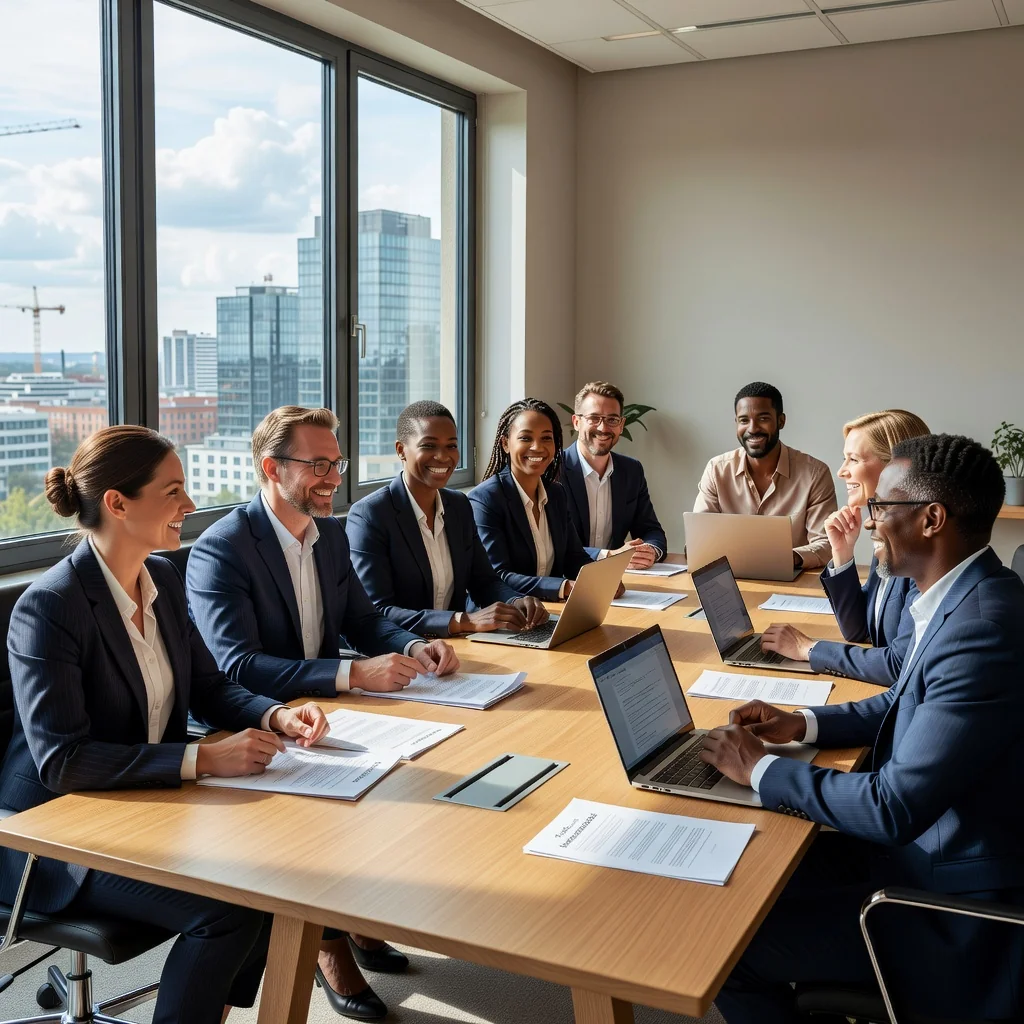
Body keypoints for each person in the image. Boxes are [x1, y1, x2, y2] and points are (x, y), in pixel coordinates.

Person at [0, 426, 328, 1024]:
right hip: (52, 836)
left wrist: (273, 714)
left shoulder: (165, 580)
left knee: (279, 880)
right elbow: (63, 761)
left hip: (145, 804)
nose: (191, 505)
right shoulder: (51, 606)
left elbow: (207, 685)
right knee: (228, 911)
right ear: (117, 503)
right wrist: (203, 759)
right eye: (173, 491)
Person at [700, 434, 1024, 1024]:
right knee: (746, 875)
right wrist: (799, 722)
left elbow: (893, 806)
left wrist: (759, 767)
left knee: (726, 949)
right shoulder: (965, 595)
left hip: (948, 908)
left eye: (883, 507)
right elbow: (903, 703)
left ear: (931, 519)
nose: (870, 519)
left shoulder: (982, 627)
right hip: (916, 850)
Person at [186, 405, 458, 1020]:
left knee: (414, 777)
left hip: (326, 713)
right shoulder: (221, 550)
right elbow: (237, 665)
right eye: (318, 465)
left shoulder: (328, 535)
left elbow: (362, 618)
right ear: (270, 469)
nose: (333, 477)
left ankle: (350, 920)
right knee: (341, 810)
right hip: (253, 722)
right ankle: (327, 948)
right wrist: (349, 672)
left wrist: (411, 645)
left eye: (337, 463)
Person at [346, 401, 548, 637]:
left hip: (455, 647)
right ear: (401, 449)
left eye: (451, 446)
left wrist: (516, 601)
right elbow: (378, 611)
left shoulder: (458, 505)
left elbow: (484, 581)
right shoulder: (370, 515)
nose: (443, 457)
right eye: (429, 445)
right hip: (400, 652)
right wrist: (461, 621)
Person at [760, 409, 930, 685]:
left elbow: (899, 665)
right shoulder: (887, 530)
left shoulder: (919, 548)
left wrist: (809, 649)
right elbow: (859, 630)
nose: (841, 471)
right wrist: (842, 554)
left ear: (896, 466)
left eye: (854, 459)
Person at [469, 398, 613, 601]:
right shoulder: (486, 499)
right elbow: (498, 575)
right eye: (526, 438)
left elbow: (574, 557)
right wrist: (562, 587)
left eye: (546, 438)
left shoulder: (556, 494)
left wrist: (602, 579)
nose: (537, 447)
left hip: (550, 610)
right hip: (505, 614)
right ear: (505, 444)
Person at [694, 382, 837, 570]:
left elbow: (827, 544)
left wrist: (783, 558)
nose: (752, 429)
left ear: (781, 421)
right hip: (732, 578)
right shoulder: (716, 470)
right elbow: (700, 539)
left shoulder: (814, 473)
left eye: (763, 418)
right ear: (736, 423)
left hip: (791, 580)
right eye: (744, 420)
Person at [561, 381, 668, 571]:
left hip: (616, 581)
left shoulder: (631, 470)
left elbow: (650, 530)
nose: (603, 428)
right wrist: (608, 556)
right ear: (577, 422)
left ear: (621, 425)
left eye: (612, 420)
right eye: (594, 418)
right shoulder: (554, 470)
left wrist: (650, 550)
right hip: (565, 581)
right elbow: (555, 545)